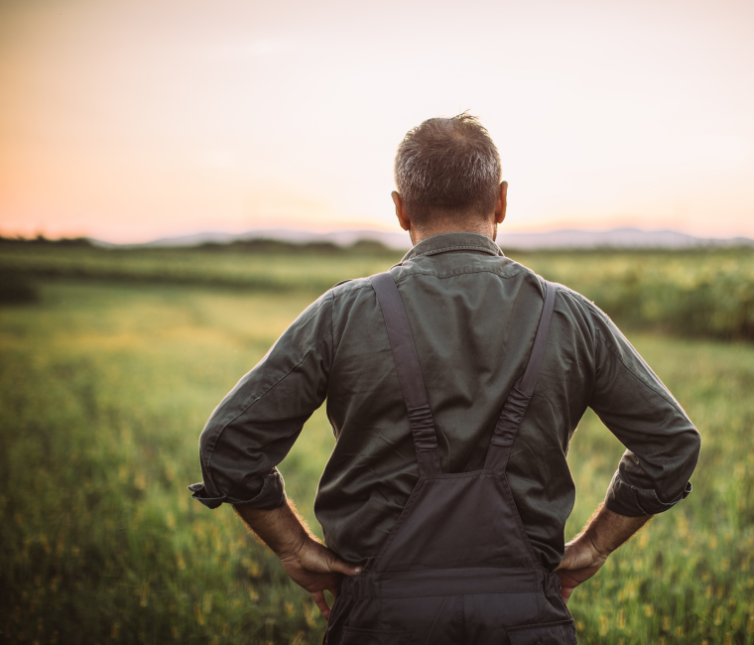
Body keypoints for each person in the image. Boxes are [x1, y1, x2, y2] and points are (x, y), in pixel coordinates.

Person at [189, 113, 700, 644]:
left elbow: (230, 444)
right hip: (526, 617)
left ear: (400, 208)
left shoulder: (343, 314)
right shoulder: (569, 317)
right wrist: (593, 547)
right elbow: (670, 445)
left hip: (381, 618)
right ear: (501, 201)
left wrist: (295, 548)